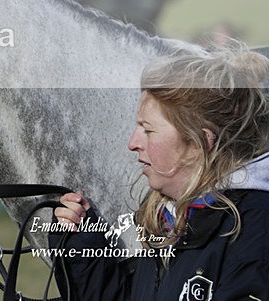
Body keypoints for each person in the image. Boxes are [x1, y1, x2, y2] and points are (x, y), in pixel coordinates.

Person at [51, 45, 269, 300]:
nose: (132, 143)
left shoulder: (255, 229)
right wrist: (80, 244)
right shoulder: (170, 215)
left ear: (198, 142)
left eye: (148, 130)